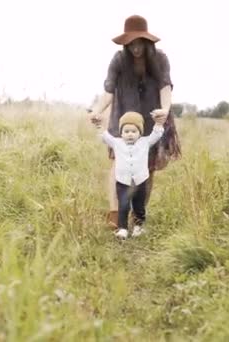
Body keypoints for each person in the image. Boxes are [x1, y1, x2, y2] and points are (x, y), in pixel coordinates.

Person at [89, 14, 181, 228]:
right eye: (131, 43)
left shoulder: (160, 59)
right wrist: (97, 111)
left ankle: (138, 216)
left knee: (148, 168)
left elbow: (165, 87)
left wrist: (165, 110)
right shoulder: (119, 60)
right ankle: (114, 213)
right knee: (117, 163)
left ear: (147, 42)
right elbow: (109, 91)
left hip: (153, 118)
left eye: (140, 42)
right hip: (124, 119)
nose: (136, 48)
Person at [94, 111, 164, 238]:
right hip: (123, 181)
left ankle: (138, 227)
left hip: (140, 181)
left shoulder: (144, 142)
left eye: (133, 131)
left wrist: (158, 123)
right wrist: (99, 126)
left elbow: (157, 134)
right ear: (121, 133)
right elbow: (104, 136)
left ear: (140, 133)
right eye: (126, 132)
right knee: (123, 205)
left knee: (139, 205)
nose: (130, 134)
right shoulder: (117, 143)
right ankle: (123, 228)